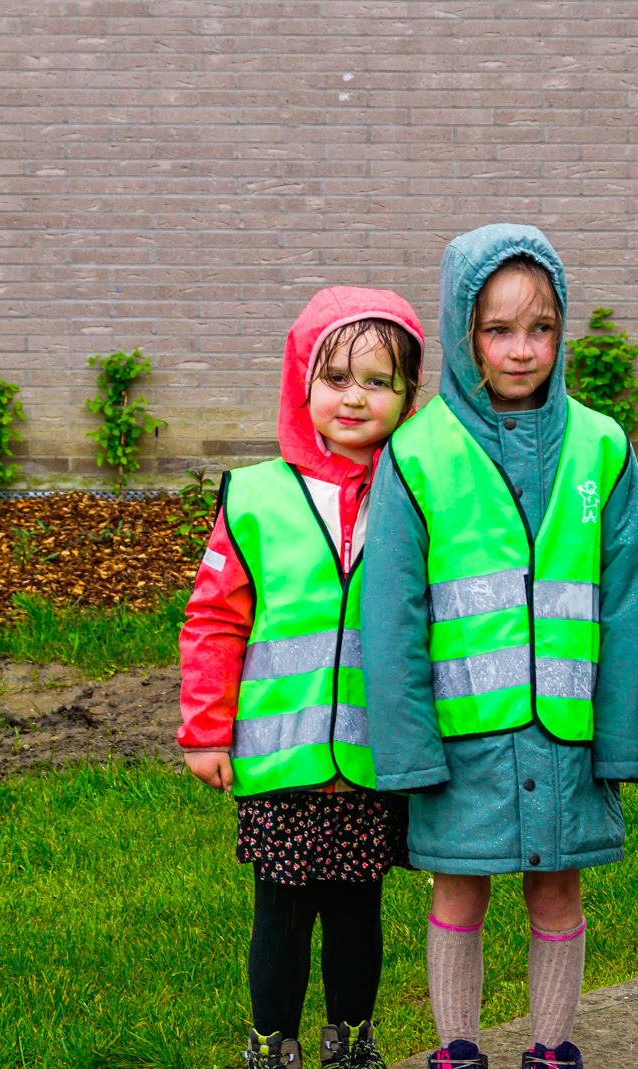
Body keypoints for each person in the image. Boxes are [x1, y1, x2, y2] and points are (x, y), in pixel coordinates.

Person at [361, 224, 638, 1069]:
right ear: (463, 332)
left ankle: (551, 1048)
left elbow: (627, 601)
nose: (521, 350)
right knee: (458, 888)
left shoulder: (603, 447)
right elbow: (392, 616)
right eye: (497, 330)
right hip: (463, 745)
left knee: (557, 889)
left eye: (541, 329)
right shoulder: (418, 452)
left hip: (565, 739)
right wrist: (409, 751)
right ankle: (456, 1049)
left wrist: (622, 740)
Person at [178, 286, 427, 1069]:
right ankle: (269, 1042)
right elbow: (214, 618)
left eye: (379, 381)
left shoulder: (419, 495)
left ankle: (351, 1039)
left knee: (357, 910)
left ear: (408, 395)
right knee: (280, 912)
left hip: (370, 757)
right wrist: (206, 730)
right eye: (337, 377)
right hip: (279, 758)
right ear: (301, 381)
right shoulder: (255, 495)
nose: (355, 397)